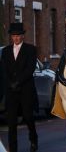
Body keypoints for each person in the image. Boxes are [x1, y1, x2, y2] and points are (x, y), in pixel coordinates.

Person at [0, 23, 38, 152]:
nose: (15, 38)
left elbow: (30, 69)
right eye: (13, 36)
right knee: (11, 122)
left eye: (18, 35)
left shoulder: (31, 49)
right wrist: (10, 83)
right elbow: (4, 69)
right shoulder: (5, 51)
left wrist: (18, 82)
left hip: (25, 89)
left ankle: (33, 139)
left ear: (23, 36)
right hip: (11, 91)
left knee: (28, 118)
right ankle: (13, 148)